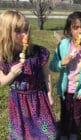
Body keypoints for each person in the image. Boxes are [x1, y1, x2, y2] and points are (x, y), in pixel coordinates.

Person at [0, 10, 57, 139]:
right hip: (18, 100)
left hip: (38, 97)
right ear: (6, 33)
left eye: (26, 29)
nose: (24, 34)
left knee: (48, 132)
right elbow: (2, 81)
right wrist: (11, 74)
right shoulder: (4, 57)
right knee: (23, 131)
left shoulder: (37, 52)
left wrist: (49, 93)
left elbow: (46, 74)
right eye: (18, 31)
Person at [49, 11, 81, 140]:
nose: (80, 31)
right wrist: (62, 62)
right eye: (75, 27)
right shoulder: (63, 45)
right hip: (65, 89)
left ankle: (73, 133)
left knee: (77, 114)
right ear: (69, 30)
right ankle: (64, 133)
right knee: (65, 113)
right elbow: (52, 66)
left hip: (80, 90)